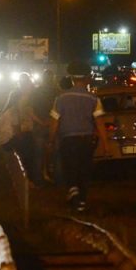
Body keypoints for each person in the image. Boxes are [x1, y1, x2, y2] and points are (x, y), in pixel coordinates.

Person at [48, 60, 110, 212]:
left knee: (70, 168)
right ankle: (81, 200)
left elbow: (55, 121)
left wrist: (50, 140)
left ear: (71, 78)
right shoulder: (93, 99)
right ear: (87, 78)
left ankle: (73, 191)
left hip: (68, 140)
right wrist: (105, 145)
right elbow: (100, 123)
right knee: (84, 169)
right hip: (86, 140)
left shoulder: (61, 99)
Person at [1, 72, 36, 184]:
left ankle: (29, 176)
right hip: (8, 141)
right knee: (29, 146)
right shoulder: (14, 112)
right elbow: (17, 132)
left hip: (4, 139)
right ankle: (29, 177)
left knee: (28, 140)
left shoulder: (8, 110)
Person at [29, 68, 59, 186]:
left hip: (39, 126)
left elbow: (30, 111)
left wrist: (41, 122)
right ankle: (58, 179)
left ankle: (38, 180)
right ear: (53, 78)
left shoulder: (35, 92)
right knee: (57, 153)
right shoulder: (58, 92)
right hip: (55, 126)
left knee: (38, 154)